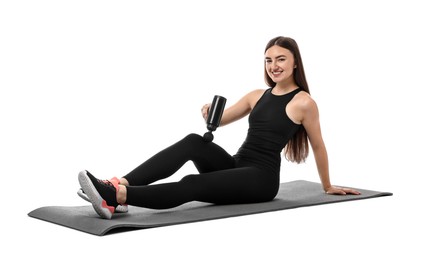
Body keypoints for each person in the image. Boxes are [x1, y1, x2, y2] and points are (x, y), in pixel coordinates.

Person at [77, 36, 361, 219]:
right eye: (269, 60)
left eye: (281, 59)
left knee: (192, 184)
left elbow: (319, 144)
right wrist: (208, 113)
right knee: (192, 141)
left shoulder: (304, 102)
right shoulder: (257, 95)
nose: (274, 66)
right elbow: (222, 120)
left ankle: (116, 198)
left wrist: (327, 185)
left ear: (295, 63)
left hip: (261, 179)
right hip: (237, 166)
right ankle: (121, 184)